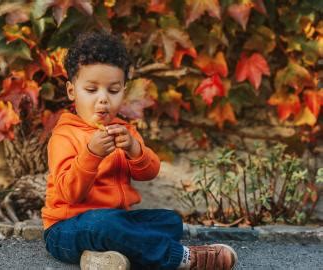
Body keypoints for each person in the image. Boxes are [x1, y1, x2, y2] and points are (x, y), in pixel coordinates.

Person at [41, 31, 238, 270]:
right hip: (65, 229)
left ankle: (98, 258)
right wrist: (91, 154)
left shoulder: (125, 131)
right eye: (91, 90)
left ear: (124, 90)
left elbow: (149, 172)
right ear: (72, 91)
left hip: (115, 220)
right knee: (105, 224)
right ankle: (182, 258)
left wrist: (135, 150)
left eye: (113, 91)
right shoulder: (64, 135)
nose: (103, 99)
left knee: (170, 221)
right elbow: (69, 194)